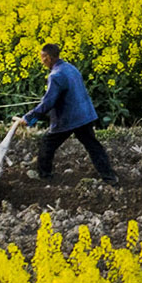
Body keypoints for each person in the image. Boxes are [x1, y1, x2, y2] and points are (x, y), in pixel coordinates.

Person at [24, 42, 114, 182]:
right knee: (93, 146)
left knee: (47, 145)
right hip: (84, 115)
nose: (42, 61)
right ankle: (109, 176)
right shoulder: (70, 68)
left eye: (43, 58)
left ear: (49, 57)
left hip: (68, 118)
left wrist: (29, 118)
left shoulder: (55, 76)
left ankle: (45, 176)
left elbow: (48, 103)